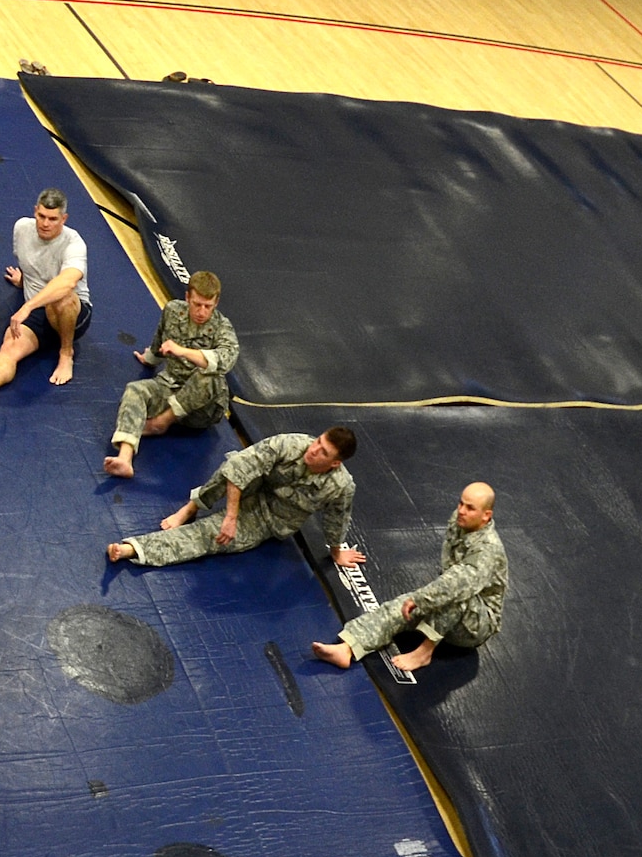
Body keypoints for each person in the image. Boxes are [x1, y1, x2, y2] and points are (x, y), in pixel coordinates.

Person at [314, 483, 506, 674]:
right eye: (461, 503)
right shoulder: (459, 521)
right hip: (452, 595)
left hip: (476, 624)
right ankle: (347, 648)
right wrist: (420, 600)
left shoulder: (487, 550)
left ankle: (424, 652)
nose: (461, 511)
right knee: (400, 606)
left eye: (470, 508)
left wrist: (422, 599)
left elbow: (457, 584)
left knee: (454, 595)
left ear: (486, 516)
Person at [108, 429, 363, 569]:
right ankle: (191, 506)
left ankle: (134, 549)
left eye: (323, 452)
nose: (314, 450)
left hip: (271, 517)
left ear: (335, 463)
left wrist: (337, 552)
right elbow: (240, 467)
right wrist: (231, 516)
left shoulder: (340, 486)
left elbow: (336, 519)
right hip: (257, 483)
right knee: (227, 471)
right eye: (318, 441)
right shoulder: (292, 443)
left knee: (210, 536)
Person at [0, 188, 89, 409]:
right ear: (35, 211)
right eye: (42, 216)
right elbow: (29, 261)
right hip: (37, 315)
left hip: (71, 314)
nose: (45, 223)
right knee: (9, 348)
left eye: (53, 219)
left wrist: (28, 305)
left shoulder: (74, 244)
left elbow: (68, 281)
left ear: (63, 219)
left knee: (61, 297)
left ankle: (66, 353)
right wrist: (24, 280)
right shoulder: (22, 228)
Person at [104, 271, 238, 478]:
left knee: (210, 375)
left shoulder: (222, 327)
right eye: (197, 304)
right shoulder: (173, 311)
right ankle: (125, 457)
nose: (202, 311)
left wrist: (181, 351)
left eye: (208, 306)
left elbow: (225, 360)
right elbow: (160, 339)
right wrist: (150, 358)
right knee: (135, 390)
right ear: (187, 298)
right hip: (172, 386)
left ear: (216, 303)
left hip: (203, 408)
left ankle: (161, 423)